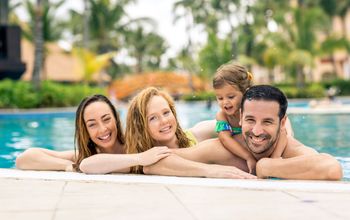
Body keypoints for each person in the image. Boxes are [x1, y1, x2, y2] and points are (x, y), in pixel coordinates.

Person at [15, 94, 171, 174]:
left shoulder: (137, 143)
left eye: (106, 119)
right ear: (85, 131)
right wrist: (69, 166)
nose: (102, 129)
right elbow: (24, 159)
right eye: (92, 124)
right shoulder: (87, 157)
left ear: (116, 119)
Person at [125, 87, 256, 179]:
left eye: (166, 112)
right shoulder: (144, 158)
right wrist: (211, 170)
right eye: (153, 118)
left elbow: (240, 126)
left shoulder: (199, 133)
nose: (164, 121)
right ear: (140, 126)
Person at [239, 85, 343, 180]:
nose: (256, 131)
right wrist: (221, 170)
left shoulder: (291, 150)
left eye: (267, 122)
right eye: (250, 120)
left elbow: (331, 168)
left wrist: (265, 166)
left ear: (282, 123)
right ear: (240, 117)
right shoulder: (230, 146)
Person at [213, 63, 293, 174]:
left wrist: (274, 159)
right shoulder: (222, 116)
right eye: (220, 98)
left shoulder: (257, 111)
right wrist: (248, 157)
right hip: (245, 150)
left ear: (246, 92)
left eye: (231, 97)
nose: (225, 102)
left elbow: (283, 133)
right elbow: (224, 139)